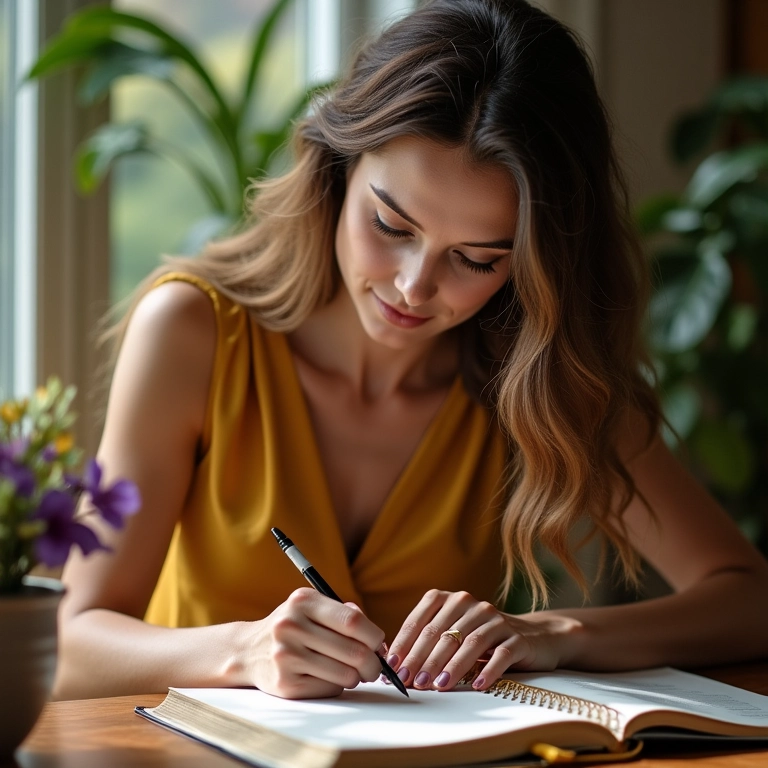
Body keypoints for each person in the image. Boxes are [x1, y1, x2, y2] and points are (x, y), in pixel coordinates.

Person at [54, 0, 768, 701]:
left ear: (532, 265)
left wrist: (556, 633)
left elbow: (748, 599)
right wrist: (240, 650)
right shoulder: (193, 332)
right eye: (390, 224)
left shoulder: (539, 375)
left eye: (477, 259)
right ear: (337, 169)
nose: (414, 286)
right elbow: (68, 644)